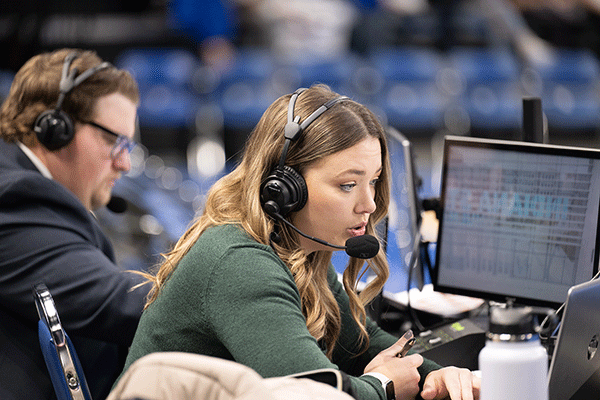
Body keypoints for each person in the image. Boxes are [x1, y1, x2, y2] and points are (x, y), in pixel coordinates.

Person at [118, 84, 480, 400]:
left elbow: (360, 346)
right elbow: (311, 389)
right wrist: (383, 386)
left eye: (374, 181)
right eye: (348, 185)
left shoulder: (298, 249)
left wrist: (436, 375)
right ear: (285, 187)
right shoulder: (239, 260)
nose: (369, 204)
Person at [0, 48, 149, 400]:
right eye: (114, 141)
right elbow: (114, 304)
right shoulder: (14, 198)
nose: (125, 163)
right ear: (55, 128)